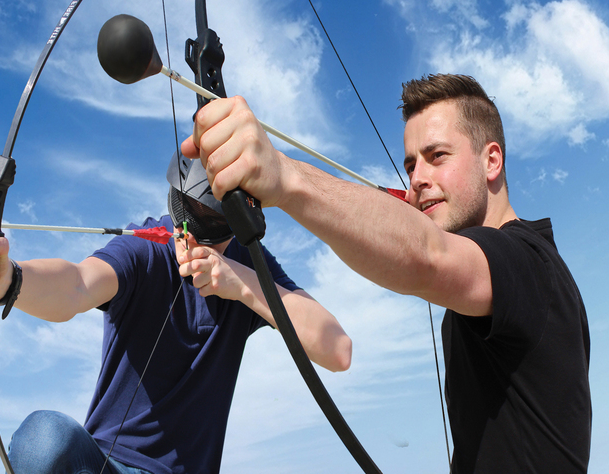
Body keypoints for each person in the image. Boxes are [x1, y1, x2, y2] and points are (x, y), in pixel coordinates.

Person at [181, 73, 591, 472]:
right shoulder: (499, 288)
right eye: (411, 165)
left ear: (492, 160)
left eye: (438, 157)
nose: (418, 180)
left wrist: (285, 176)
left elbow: (427, 256)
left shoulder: (527, 262)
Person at [0, 154, 352, 474]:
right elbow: (76, 284)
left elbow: (337, 350)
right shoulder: (145, 248)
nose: (195, 231)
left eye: (217, 219)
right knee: (43, 440)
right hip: (105, 466)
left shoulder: (251, 265)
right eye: (191, 209)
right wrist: (7, 280)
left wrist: (243, 285)